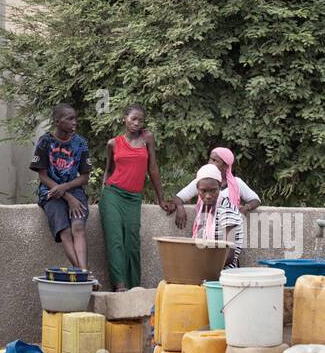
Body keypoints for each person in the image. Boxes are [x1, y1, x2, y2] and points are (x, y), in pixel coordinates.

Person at [100, 105, 173, 291]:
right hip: (112, 195)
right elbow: (108, 171)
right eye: (133, 119)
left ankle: (134, 285)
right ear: (125, 118)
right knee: (115, 239)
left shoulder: (147, 138)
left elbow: (153, 168)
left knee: (132, 241)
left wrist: (160, 199)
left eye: (140, 120)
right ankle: (120, 285)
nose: (137, 123)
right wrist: (103, 192)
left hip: (133, 198)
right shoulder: (113, 143)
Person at [29, 104, 93, 270]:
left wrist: (66, 189)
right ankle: (83, 274)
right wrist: (66, 196)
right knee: (65, 231)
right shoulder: (45, 142)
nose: (74, 122)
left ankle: (83, 273)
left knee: (78, 227)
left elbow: (85, 177)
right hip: (50, 193)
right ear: (57, 121)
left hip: (74, 191)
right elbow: (42, 176)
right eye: (69, 119)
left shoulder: (81, 143)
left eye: (75, 118)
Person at [168, 146, 260, 229]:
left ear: (225, 166)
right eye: (210, 159)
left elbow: (256, 200)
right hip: (204, 230)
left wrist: (245, 208)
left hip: (229, 230)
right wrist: (180, 207)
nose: (210, 163)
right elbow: (178, 198)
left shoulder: (236, 183)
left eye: (215, 161)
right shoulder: (202, 181)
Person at [188, 163, 244, 270]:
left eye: (213, 190)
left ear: (220, 186)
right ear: (197, 189)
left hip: (224, 273)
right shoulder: (204, 210)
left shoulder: (226, 211)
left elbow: (229, 255)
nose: (208, 196)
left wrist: (201, 268)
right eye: (203, 191)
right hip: (209, 267)